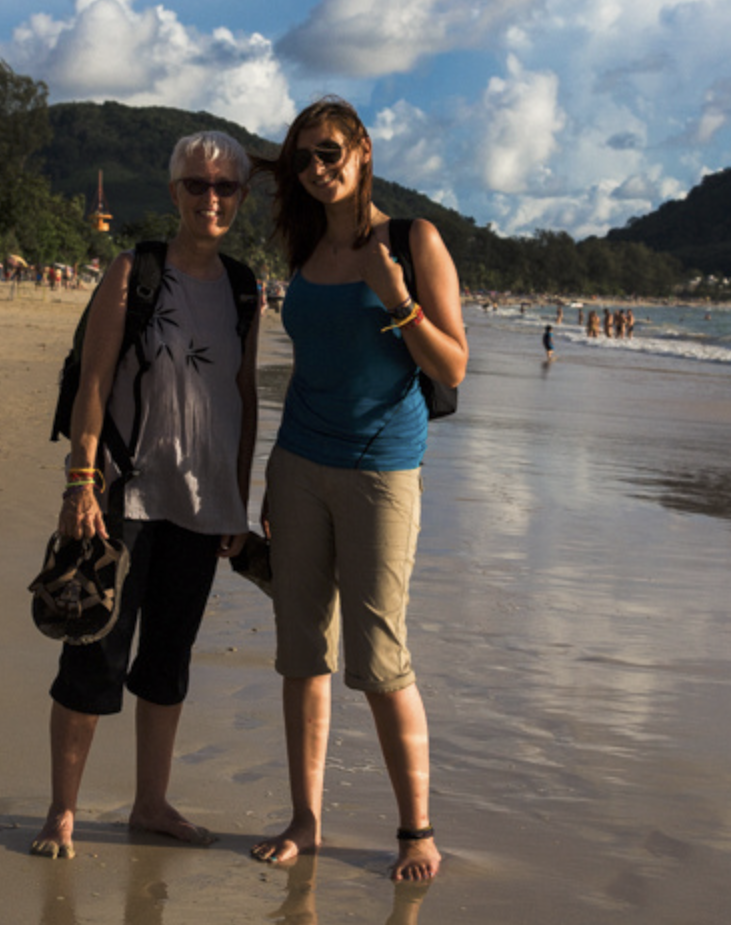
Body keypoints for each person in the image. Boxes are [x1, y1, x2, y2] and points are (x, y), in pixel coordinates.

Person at [249, 97, 467, 882]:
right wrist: (275, 472)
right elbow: (308, 371)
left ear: (364, 149)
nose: (317, 169)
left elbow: (451, 365)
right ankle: (305, 822)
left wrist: (396, 292)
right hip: (299, 467)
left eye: (330, 152)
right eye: (304, 158)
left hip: (382, 474)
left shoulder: (415, 240)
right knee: (301, 655)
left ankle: (417, 831)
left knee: (379, 659)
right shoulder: (306, 246)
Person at [31, 131, 260, 860]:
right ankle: (62, 811)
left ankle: (151, 804)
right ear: (174, 193)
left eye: (226, 188)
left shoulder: (246, 287)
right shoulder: (136, 271)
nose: (211, 199)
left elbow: (245, 394)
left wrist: (237, 500)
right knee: (93, 653)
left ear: (241, 198)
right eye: (198, 185)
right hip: (122, 498)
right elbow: (93, 380)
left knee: (168, 661)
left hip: (202, 506)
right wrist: (80, 482)